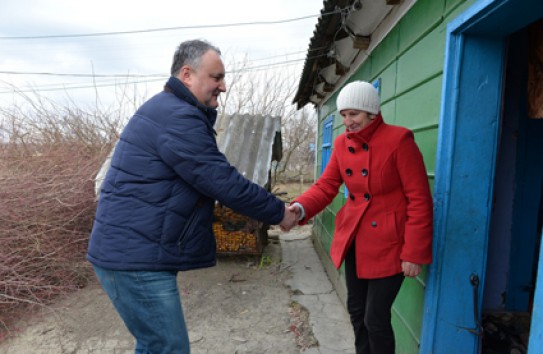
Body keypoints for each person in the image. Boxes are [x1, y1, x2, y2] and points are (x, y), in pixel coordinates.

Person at [87, 39, 299, 354]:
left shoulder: (169, 111)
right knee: (168, 347)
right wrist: (280, 213)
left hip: (131, 254)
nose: (223, 86)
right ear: (187, 74)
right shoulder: (177, 118)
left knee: (155, 345)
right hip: (134, 259)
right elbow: (222, 181)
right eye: (216, 77)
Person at [287, 81, 433, 354]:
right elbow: (326, 186)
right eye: (343, 115)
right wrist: (300, 209)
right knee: (356, 311)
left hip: (391, 245)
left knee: (375, 318)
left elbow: (419, 199)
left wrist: (413, 252)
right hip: (355, 239)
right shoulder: (342, 145)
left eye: (353, 114)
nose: (347, 121)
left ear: (371, 112)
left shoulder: (399, 140)